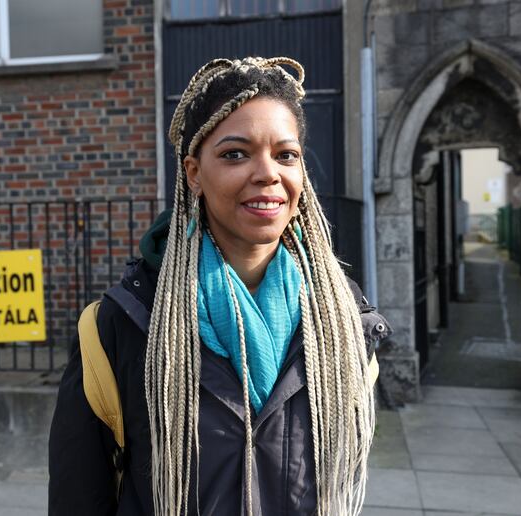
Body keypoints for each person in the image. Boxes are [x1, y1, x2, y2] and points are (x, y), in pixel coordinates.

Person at [48, 56, 391, 516]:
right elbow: (78, 499)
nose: (268, 172)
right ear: (194, 173)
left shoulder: (345, 322)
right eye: (235, 154)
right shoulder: (122, 326)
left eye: (286, 155)